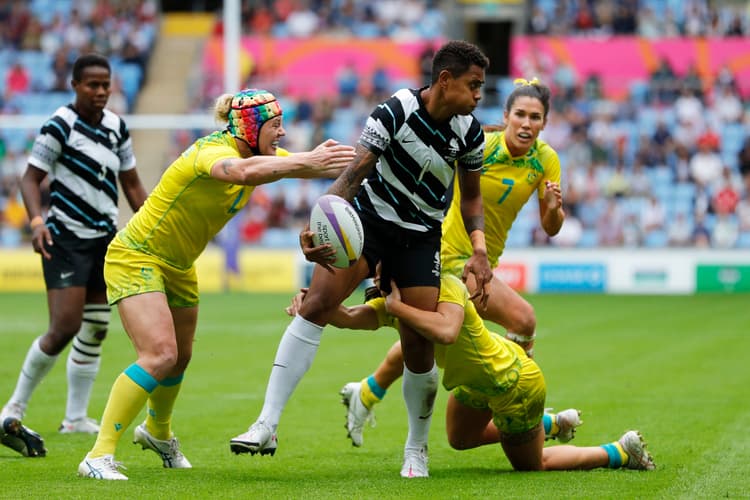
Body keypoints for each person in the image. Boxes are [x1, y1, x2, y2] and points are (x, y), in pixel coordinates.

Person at [230, 40, 494, 478]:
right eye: (474, 85)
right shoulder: (395, 111)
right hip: (367, 223)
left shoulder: (470, 132)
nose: (479, 94)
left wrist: (480, 248)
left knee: (418, 343)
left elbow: (471, 200)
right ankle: (267, 424)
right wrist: (317, 225)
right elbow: (355, 172)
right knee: (315, 305)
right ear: (445, 81)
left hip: (420, 239)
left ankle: (416, 449)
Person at [76, 89, 355, 480]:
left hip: (178, 264)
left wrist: (365, 157)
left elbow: (308, 168)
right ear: (249, 127)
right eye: (275, 126)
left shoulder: (257, 156)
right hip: (136, 255)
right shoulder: (211, 152)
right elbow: (244, 172)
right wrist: (308, 158)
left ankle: (157, 432)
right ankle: (97, 454)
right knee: (159, 354)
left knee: (181, 356)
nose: (282, 133)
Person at [339, 78, 568, 448]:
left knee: (430, 338)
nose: (527, 123)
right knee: (522, 319)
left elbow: (551, 227)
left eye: (536, 117)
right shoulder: (484, 147)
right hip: (449, 256)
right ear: (506, 116)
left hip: (483, 261)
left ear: (545, 122)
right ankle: (516, 407)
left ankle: (366, 392)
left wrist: (555, 209)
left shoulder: (546, 159)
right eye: (520, 115)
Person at [289, 268, 655, 474]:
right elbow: (352, 318)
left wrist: (398, 310)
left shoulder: (446, 285)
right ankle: (551, 424)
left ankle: (619, 452)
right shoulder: (395, 301)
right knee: (460, 439)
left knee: (534, 465)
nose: (375, 277)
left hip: (512, 382)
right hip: (478, 382)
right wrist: (315, 306)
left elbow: (446, 330)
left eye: (380, 268)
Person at [0, 53, 148, 459]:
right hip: (65, 237)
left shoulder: (118, 127)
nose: (100, 91)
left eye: (106, 84)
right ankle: (13, 407)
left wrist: (152, 226)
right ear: (75, 86)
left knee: (97, 327)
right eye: (92, 85)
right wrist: (35, 221)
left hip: (104, 239)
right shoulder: (59, 125)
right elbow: (30, 178)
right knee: (64, 325)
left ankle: (75, 417)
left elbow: (131, 182)